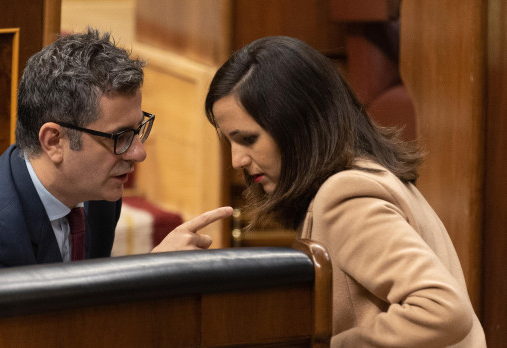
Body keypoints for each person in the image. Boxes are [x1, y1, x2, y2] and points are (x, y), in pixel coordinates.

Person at [204, 36, 486, 347]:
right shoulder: (364, 173)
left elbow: (443, 310)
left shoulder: (347, 197)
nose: (236, 160)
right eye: (229, 141)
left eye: (247, 139)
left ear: (298, 125)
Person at [0, 28, 231, 282]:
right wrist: (148, 273)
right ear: (53, 141)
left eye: (137, 130)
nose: (138, 153)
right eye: (119, 137)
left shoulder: (97, 195)